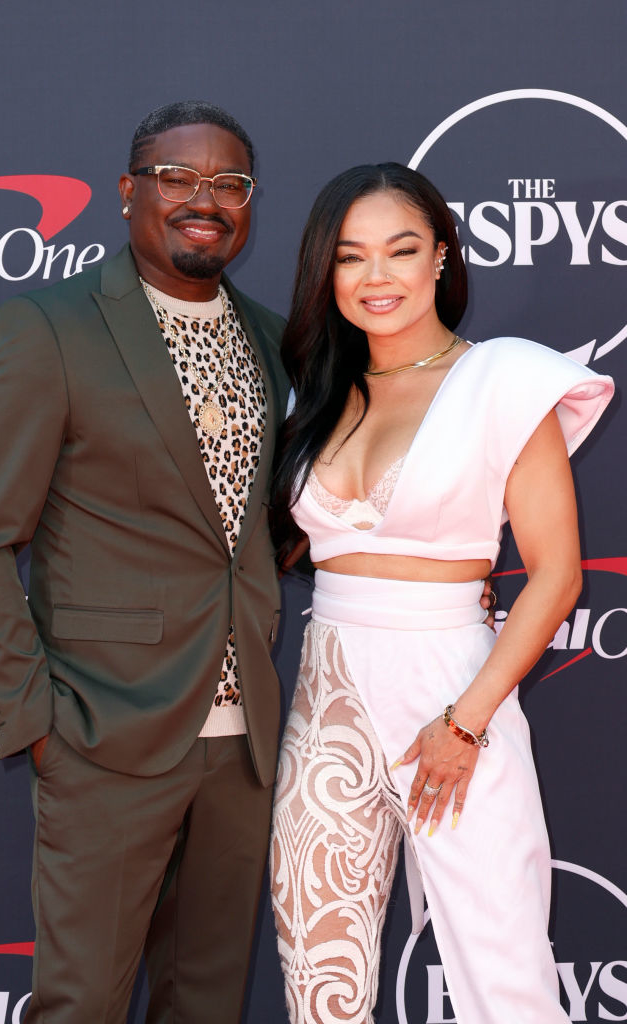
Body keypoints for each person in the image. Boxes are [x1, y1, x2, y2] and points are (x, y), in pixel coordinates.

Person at [0, 101, 290, 1024]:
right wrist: (36, 723)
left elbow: (269, 528)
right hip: (103, 734)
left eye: (228, 183)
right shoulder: (49, 326)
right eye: (177, 177)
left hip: (242, 742)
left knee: (208, 1002)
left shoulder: (272, 338)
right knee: (83, 1005)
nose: (202, 199)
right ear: (129, 191)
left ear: (250, 204)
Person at [268, 162, 614, 1024]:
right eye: (350, 258)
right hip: (328, 698)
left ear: (440, 258)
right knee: (320, 975)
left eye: (400, 250)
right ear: (326, 272)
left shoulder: (502, 379)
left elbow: (557, 575)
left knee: (503, 978)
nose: (375, 277)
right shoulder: (316, 392)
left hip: (455, 691)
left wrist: (466, 721)